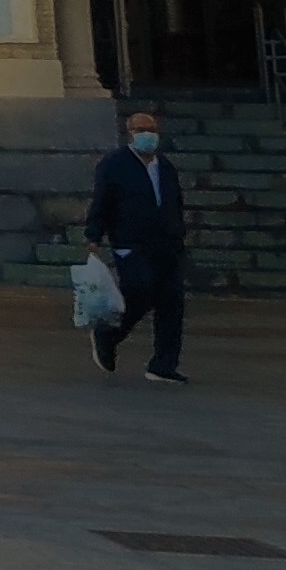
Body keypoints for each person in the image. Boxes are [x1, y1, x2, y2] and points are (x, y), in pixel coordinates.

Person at [81, 104, 191, 384]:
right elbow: (102, 201)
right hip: (131, 242)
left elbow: (174, 202)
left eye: (152, 130)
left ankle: (163, 364)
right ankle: (109, 335)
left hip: (167, 243)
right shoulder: (114, 164)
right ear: (129, 133)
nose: (148, 135)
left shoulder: (164, 166)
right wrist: (93, 235)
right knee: (139, 290)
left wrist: (178, 232)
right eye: (141, 130)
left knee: (171, 303)